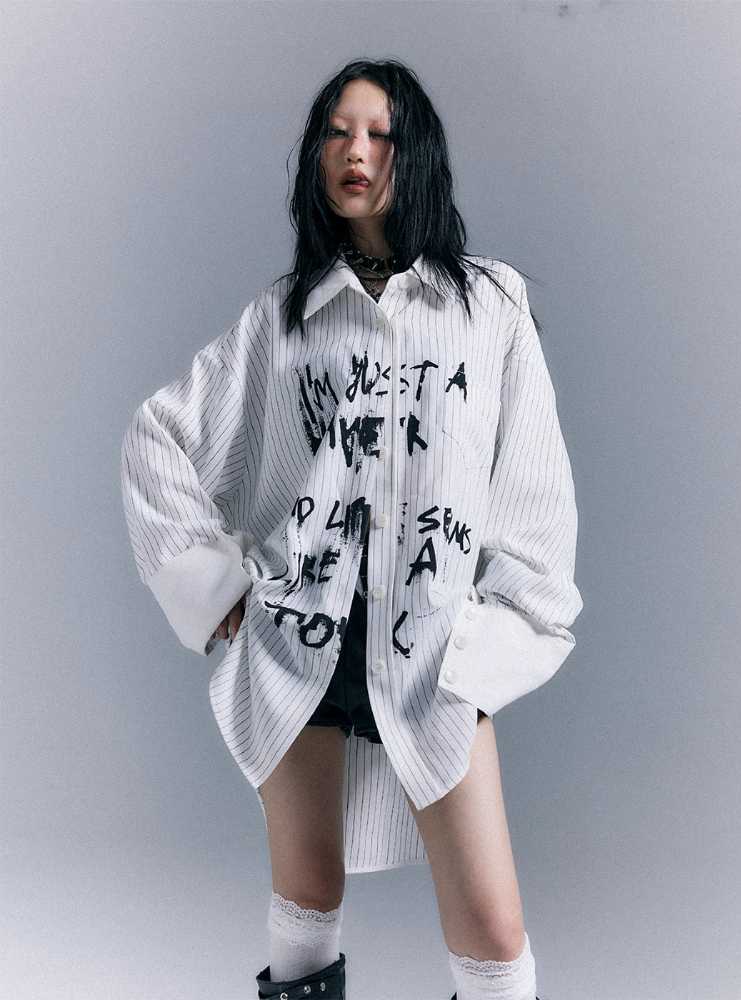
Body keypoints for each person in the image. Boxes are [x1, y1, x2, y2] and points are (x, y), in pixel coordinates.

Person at [120, 57, 583, 1000]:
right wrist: (217, 591)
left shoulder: (489, 306)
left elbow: (535, 495)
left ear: (416, 154)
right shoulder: (284, 320)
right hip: (304, 640)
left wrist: (491, 644)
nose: (355, 152)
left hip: (429, 653)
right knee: (306, 898)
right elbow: (158, 436)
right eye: (337, 133)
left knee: (494, 938)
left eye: (378, 133)